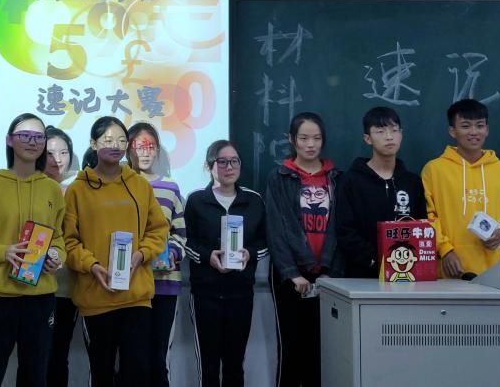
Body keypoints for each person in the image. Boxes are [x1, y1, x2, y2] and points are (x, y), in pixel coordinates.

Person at [0, 113, 66, 387]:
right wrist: (3, 252)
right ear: (9, 140)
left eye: (38, 137)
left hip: (40, 296)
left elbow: (58, 238)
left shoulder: (52, 189)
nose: (32, 142)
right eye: (24, 136)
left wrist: (56, 257)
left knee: (35, 374)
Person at [63, 116, 169, 386]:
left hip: (136, 297)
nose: (116, 145)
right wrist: (91, 265)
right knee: (102, 372)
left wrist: (142, 254)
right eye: (108, 140)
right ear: (93, 143)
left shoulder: (140, 186)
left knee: (138, 372)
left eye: (122, 140)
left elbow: (158, 230)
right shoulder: (77, 189)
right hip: (95, 297)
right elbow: (69, 241)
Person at [265, 111, 343, 387]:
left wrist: (330, 272)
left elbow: (340, 229)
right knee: (290, 347)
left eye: (317, 138)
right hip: (291, 276)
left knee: (321, 349)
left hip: (327, 277)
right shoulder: (280, 177)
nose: (311, 145)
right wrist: (291, 272)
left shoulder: (336, 178)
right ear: (292, 140)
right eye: (304, 138)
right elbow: (276, 228)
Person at [184, 140, 267, 387]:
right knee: (208, 367)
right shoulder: (196, 200)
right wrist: (207, 255)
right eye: (222, 162)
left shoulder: (253, 200)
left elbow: (265, 241)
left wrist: (249, 254)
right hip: (205, 293)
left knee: (234, 365)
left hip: (241, 292)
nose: (229, 167)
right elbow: (187, 240)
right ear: (209, 166)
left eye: (234, 161)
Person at [421, 98, 500, 278]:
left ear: (487, 130)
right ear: (452, 131)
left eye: (480, 125)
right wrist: (445, 250)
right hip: (449, 269)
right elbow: (427, 216)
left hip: (495, 271)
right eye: (465, 126)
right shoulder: (434, 170)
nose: (474, 132)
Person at [127, 122, 187, 387]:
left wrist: (173, 252)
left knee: (158, 359)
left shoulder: (171, 188)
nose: (145, 152)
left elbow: (180, 234)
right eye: (139, 146)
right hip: (129, 284)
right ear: (128, 149)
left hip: (164, 283)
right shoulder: (119, 185)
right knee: (133, 359)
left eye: (150, 146)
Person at [335, 107, 428, 278]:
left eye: (394, 130)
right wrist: (375, 259)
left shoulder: (412, 182)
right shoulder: (351, 181)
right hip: (362, 275)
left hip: (406, 272)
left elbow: (422, 225)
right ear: (367, 138)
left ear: (401, 134)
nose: (389, 136)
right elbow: (345, 230)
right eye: (380, 131)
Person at [43, 126, 82, 387]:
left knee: (58, 355)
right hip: (31, 285)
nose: (57, 159)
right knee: (34, 356)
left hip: (66, 288)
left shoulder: (78, 189)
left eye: (64, 152)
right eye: (50, 153)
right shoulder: (29, 185)